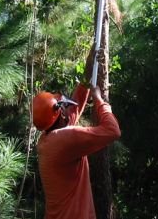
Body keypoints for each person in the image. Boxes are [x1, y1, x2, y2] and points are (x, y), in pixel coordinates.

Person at [32, 50, 121, 219]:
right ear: (60, 114)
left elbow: (75, 108)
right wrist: (99, 101)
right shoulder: (65, 139)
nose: (68, 108)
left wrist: (89, 69)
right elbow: (113, 131)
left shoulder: (48, 138)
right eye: (64, 106)